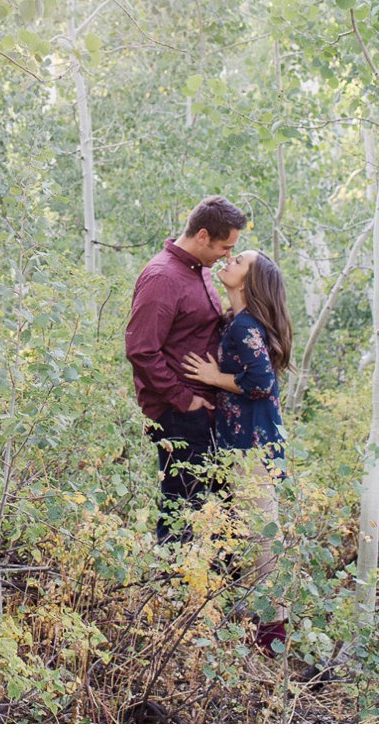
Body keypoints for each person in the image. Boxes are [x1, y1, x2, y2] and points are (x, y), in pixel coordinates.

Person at [181, 249, 295, 657]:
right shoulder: (236, 323)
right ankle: (248, 640)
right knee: (246, 539)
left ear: (249, 281)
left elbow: (261, 381)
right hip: (243, 446)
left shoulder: (245, 325)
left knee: (264, 544)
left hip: (253, 448)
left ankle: (273, 647)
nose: (227, 262)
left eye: (238, 261)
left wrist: (216, 376)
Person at [124, 196, 248, 543]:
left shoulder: (200, 272)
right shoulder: (162, 277)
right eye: (225, 246)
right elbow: (141, 350)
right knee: (180, 511)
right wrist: (185, 400)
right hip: (179, 413)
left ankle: (214, 590)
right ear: (204, 236)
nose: (227, 255)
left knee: (220, 508)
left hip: (207, 411)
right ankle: (170, 593)